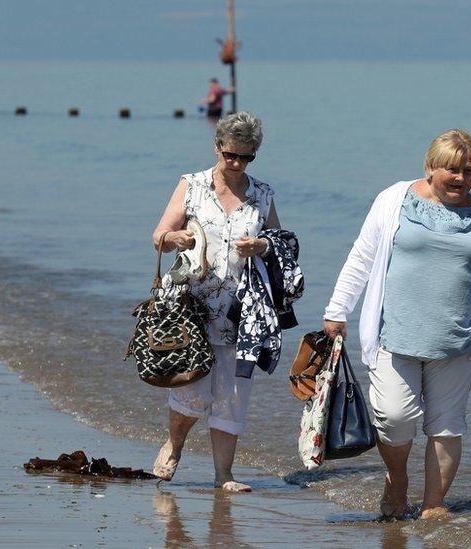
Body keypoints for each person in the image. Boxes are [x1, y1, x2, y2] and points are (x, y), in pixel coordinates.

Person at [323, 129, 471, 520]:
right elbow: (362, 256)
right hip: (393, 336)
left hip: (458, 341)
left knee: (447, 426)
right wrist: (337, 309)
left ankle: (434, 504)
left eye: (467, 171)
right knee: (394, 419)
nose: (459, 178)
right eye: (451, 169)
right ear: (431, 167)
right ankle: (397, 480)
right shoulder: (393, 199)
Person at [150, 111, 280, 492]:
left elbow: (282, 246)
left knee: (232, 397)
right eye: (231, 155)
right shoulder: (191, 186)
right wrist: (175, 239)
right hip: (193, 308)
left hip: (243, 311)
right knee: (191, 389)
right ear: (217, 147)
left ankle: (224, 474)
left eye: (247, 156)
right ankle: (174, 445)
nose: (238, 164)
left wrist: (262, 245)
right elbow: (158, 235)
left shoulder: (262, 194)